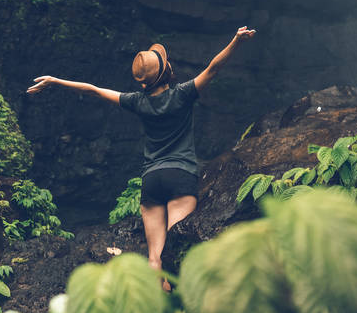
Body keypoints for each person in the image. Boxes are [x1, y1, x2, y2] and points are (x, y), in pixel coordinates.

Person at [28, 26, 256, 286]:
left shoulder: (137, 101)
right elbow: (213, 68)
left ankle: (156, 303)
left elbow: (93, 90)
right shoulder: (182, 94)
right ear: (166, 72)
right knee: (175, 248)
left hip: (152, 179)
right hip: (180, 175)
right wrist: (236, 40)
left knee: (155, 257)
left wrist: (55, 81)